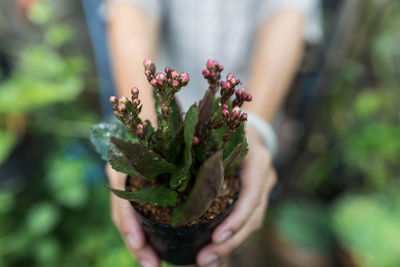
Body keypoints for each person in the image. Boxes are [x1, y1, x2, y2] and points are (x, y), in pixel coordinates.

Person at [104, 0, 321, 266]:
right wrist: (143, 133)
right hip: (163, 90)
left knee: (242, 190)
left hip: (249, 99)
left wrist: (254, 129)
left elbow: (289, 9)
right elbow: (131, 8)